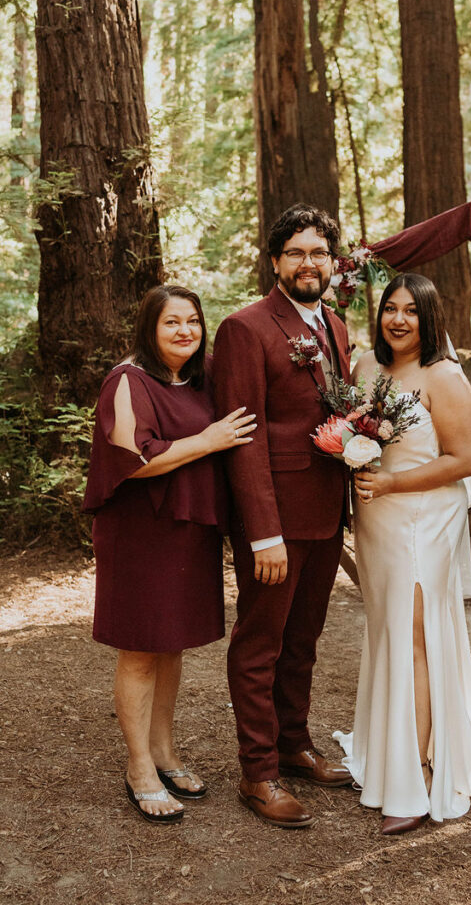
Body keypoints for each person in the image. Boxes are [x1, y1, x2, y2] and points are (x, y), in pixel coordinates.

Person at [83, 285, 256, 825]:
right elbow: (134, 457)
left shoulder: (201, 378)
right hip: (141, 533)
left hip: (188, 530)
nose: (185, 331)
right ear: (149, 329)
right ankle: (138, 767)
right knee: (140, 647)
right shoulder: (127, 379)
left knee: (172, 644)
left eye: (193, 322)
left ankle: (164, 752)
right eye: (171, 323)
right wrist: (208, 440)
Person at [334, 273, 471, 835]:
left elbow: (465, 459)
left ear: (429, 318)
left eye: (411, 311)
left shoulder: (444, 376)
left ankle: (423, 773)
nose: (398, 320)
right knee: (388, 632)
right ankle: (388, 750)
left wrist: (394, 486)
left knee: (418, 637)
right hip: (376, 519)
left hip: (423, 518)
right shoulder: (366, 370)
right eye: (390, 309)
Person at [213, 203, 354, 829]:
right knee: (261, 644)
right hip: (274, 523)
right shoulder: (246, 328)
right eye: (295, 252)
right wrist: (263, 532)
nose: (308, 263)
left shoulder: (337, 325)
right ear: (275, 262)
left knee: (304, 640)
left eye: (318, 252)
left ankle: (295, 745)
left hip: (327, 513)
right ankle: (259, 770)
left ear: (333, 262)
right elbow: (245, 438)